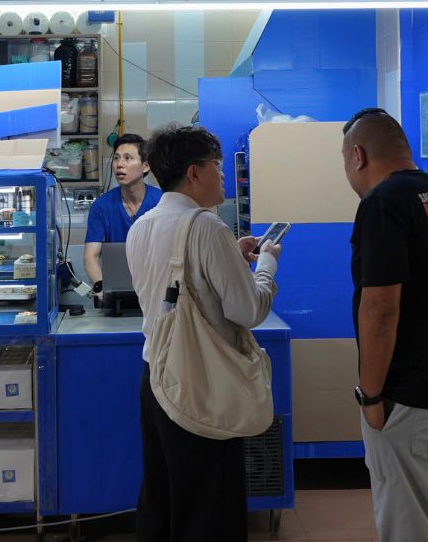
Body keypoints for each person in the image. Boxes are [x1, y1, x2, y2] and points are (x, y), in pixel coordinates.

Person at [126, 125, 281, 542]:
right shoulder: (208, 228)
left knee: (164, 494)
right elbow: (249, 310)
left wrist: (234, 254)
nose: (223, 174)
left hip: (155, 376)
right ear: (193, 173)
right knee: (209, 505)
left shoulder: (142, 225)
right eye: (216, 165)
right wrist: (265, 264)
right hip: (202, 377)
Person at [341, 107, 428, 542]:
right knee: (426, 516)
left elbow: (380, 309)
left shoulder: (382, 204)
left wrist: (370, 394)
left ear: (358, 156)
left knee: (409, 529)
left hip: (411, 395)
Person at [83, 133, 163, 294]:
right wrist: (101, 287)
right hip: (117, 292)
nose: (120, 164)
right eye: (116, 158)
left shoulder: (162, 202)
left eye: (128, 158)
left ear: (145, 166)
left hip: (157, 290)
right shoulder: (102, 206)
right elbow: (90, 256)